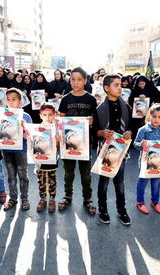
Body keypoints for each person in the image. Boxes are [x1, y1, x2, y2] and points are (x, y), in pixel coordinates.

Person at [58, 67, 97, 215]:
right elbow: (60, 120)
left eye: (79, 79)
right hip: (68, 144)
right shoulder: (66, 99)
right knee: (68, 172)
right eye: (73, 79)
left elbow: (95, 121)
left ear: (85, 81)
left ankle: (87, 199)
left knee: (85, 174)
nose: (75, 82)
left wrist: (91, 121)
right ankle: (67, 196)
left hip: (85, 144)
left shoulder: (91, 99)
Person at [93, 74, 132, 225]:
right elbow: (94, 132)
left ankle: (121, 210)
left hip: (121, 152)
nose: (120, 87)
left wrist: (129, 132)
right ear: (106, 88)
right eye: (116, 85)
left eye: (120, 84)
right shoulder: (99, 109)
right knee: (103, 182)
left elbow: (131, 126)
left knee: (119, 183)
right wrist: (101, 132)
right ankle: (102, 209)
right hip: (105, 151)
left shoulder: (126, 107)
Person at [134, 104, 160, 214]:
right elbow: (135, 144)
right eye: (154, 116)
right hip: (145, 162)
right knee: (143, 182)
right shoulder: (143, 130)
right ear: (150, 116)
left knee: (156, 182)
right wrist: (141, 144)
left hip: (159, 162)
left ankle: (155, 202)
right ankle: (140, 202)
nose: (156, 119)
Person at [1, 88, 33, 211]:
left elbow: (29, 136)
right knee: (11, 175)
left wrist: (24, 128)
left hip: (21, 150)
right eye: (8, 99)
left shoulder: (26, 116)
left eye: (14, 99)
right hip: (7, 150)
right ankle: (13, 198)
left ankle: (24, 199)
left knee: (23, 175)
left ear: (20, 101)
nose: (10, 102)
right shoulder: (2, 114)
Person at [34, 104, 59, 213]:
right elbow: (32, 142)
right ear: (40, 115)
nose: (47, 117)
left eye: (50, 115)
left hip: (52, 159)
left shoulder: (56, 128)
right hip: (40, 160)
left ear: (54, 115)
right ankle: (43, 199)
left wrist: (58, 139)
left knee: (52, 179)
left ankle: (52, 199)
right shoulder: (36, 128)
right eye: (44, 115)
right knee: (41, 180)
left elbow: (59, 145)